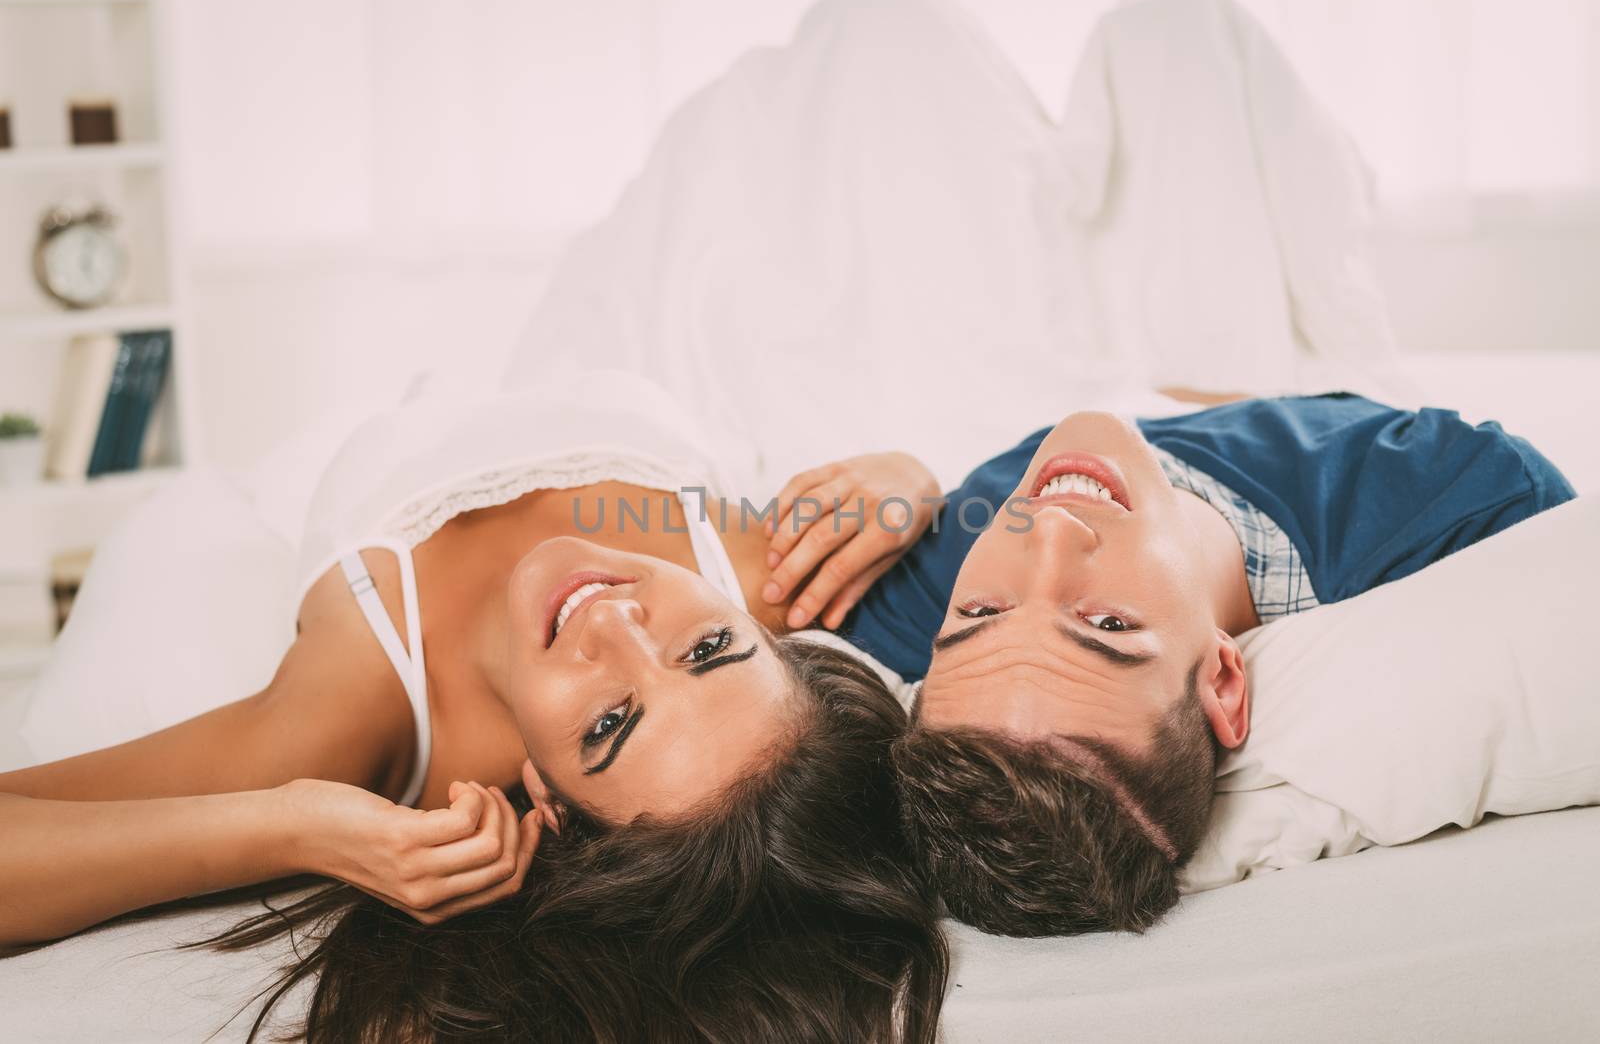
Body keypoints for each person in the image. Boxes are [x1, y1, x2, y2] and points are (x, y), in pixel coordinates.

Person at [0, 373, 949, 1041]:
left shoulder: (355, 713)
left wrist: (294, 826)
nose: (614, 621)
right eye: (707, 649)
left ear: (546, 797)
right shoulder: (770, 578)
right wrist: (911, 480)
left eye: (609, 724)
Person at [831, 393, 1575, 938]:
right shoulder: (1458, 499)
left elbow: (726, 573)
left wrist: (906, 476)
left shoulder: (919, 594)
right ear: (1223, 678)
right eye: (1108, 625)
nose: (1048, 535)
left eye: (983, 614)